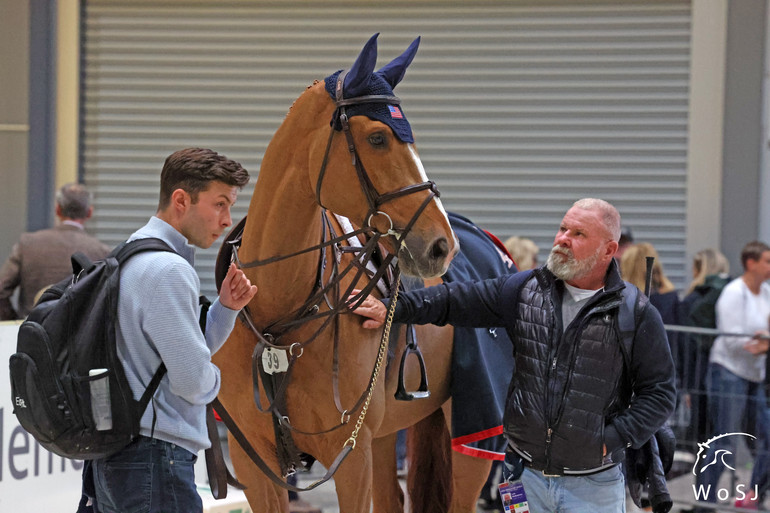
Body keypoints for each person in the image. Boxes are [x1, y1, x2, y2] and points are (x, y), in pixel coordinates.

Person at [351, 198, 676, 513]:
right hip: (522, 480)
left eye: (578, 235)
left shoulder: (636, 313)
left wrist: (611, 439)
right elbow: (453, 300)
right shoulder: (524, 290)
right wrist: (392, 308)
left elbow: (660, 395)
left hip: (593, 488)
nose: (563, 239)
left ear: (608, 250)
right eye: (563, 229)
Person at [83, 148, 258, 513]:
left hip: (121, 457)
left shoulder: (132, 250)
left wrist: (225, 309)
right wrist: (218, 380)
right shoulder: (168, 271)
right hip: (154, 459)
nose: (228, 220)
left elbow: (170, 358)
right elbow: (193, 380)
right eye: (220, 204)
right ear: (181, 199)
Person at [695, 241, 770, 510]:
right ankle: (705, 501)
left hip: (753, 376)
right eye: (767, 261)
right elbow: (733, 341)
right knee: (723, 440)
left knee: (766, 438)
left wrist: (763, 343)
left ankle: (754, 493)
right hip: (728, 373)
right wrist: (762, 343)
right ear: (751, 263)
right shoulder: (733, 293)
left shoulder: (766, 293)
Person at [0, 183, 111, 320]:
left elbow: (1, 289)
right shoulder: (101, 252)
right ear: (89, 212)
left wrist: (14, 321)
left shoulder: (28, 244)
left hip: (32, 331)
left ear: (58, 209)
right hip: (77, 337)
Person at [679, 248, 730, 449]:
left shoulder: (693, 301)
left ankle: (702, 477)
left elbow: (687, 346)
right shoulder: (729, 295)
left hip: (700, 374)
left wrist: (687, 384)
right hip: (725, 371)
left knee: (702, 435)